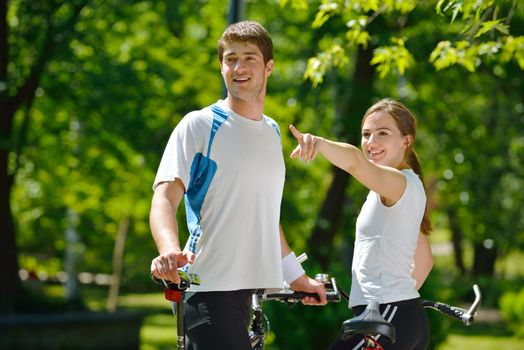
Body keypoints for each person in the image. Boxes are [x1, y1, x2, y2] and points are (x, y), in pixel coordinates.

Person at [149, 20, 327, 350]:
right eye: (230, 59)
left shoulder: (273, 132)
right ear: (221, 67)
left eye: (249, 58)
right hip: (207, 290)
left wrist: (296, 275)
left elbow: (265, 215)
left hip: (246, 295)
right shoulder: (200, 125)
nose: (239, 67)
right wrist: (168, 250)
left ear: (268, 67)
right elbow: (164, 198)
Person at [289, 98, 433, 350]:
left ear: (406, 140)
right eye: (366, 134)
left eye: (383, 133)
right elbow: (424, 261)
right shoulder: (398, 188)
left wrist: (319, 143)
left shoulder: (398, 183)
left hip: (386, 317)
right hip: (395, 316)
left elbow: (355, 162)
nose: (371, 142)